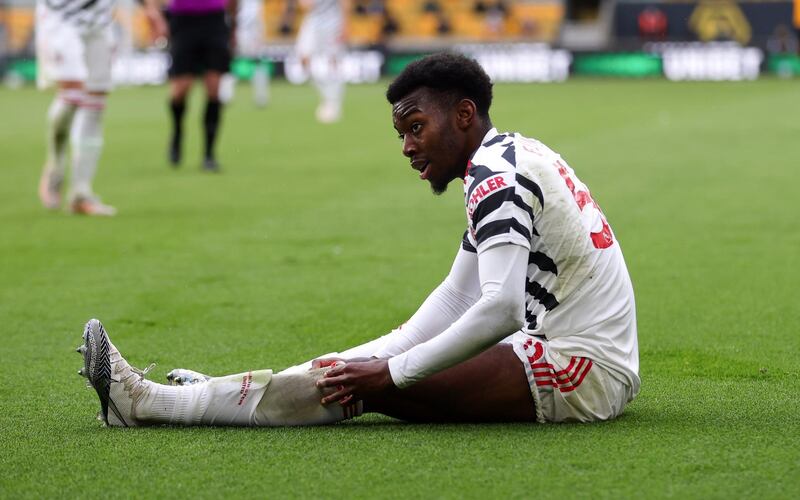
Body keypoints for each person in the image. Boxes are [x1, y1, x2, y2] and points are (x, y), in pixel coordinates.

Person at [77, 53, 639, 426]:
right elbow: (456, 297)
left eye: (416, 127)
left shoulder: (496, 177)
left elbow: (500, 308)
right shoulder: (506, 157)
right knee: (359, 374)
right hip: (572, 353)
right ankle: (221, 395)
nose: (407, 147)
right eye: (402, 134)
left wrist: (388, 373)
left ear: (465, 114)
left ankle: (158, 406)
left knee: (366, 388)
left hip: (581, 370)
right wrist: (372, 358)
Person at [35, 0, 166, 215]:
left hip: (99, 22)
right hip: (61, 18)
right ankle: (55, 166)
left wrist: (150, 10)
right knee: (72, 95)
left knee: (95, 105)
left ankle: (81, 192)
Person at [166, 0, 238, 172]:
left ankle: (209, 154)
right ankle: (177, 133)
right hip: (183, 19)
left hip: (214, 20)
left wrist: (233, 25)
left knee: (214, 89)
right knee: (180, 90)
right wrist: (157, 17)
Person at [295, 0, 346, 123]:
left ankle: (335, 99)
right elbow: (304, 5)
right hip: (312, 23)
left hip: (333, 23)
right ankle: (326, 95)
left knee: (333, 60)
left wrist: (345, 24)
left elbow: (345, 3)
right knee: (303, 58)